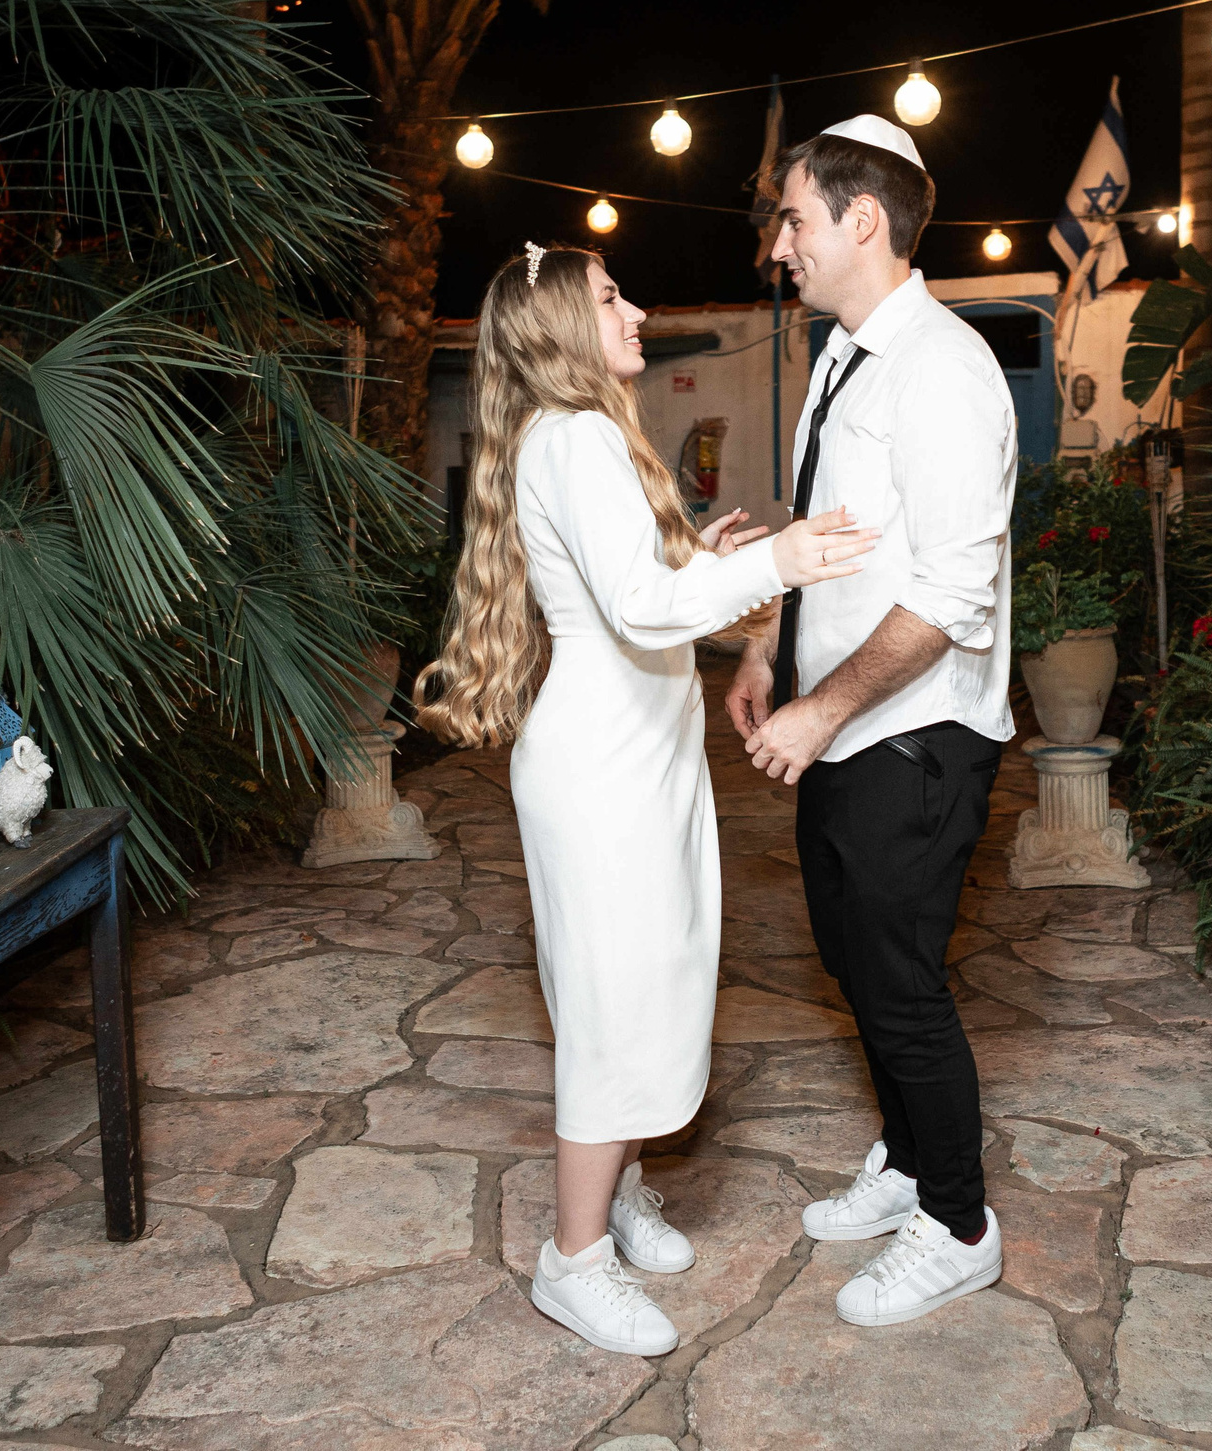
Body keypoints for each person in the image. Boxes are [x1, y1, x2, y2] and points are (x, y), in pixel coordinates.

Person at [417, 242, 878, 1357]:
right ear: (567, 331)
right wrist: (784, 562)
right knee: (612, 1010)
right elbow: (636, 606)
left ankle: (615, 1196)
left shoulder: (582, 437)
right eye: (613, 297)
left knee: (647, 986)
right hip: (601, 771)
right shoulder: (573, 437)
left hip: (638, 757)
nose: (638, 308)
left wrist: (702, 556)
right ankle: (570, 1261)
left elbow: (643, 585)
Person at [727, 115, 1018, 1328]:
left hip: (912, 737)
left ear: (860, 220)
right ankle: (903, 1163)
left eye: (792, 217)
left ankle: (957, 1222)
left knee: (898, 984)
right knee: (851, 961)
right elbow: (835, 541)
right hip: (840, 725)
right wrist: (765, 643)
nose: (778, 243)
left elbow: (950, 591)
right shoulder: (846, 357)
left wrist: (821, 709)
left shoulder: (942, 366)